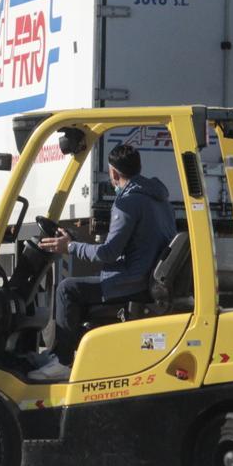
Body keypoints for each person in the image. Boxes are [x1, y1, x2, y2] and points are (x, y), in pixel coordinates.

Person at [29, 144, 176, 381]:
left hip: (132, 281)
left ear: (114, 174)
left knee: (68, 289)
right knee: (79, 289)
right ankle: (60, 353)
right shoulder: (159, 199)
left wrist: (70, 247)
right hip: (145, 276)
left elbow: (108, 252)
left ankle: (64, 362)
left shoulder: (127, 202)